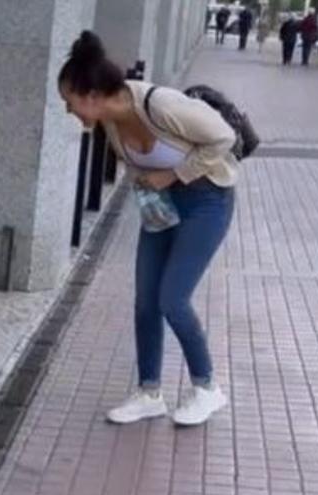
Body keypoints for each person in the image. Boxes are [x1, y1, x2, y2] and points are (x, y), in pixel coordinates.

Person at [57, 31, 237, 426]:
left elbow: (224, 136)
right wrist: (154, 188)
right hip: (163, 207)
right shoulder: (110, 123)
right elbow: (141, 170)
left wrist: (174, 174)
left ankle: (208, 389)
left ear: (91, 94)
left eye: (70, 104)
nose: (71, 113)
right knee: (145, 300)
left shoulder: (161, 104)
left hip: (208, 201)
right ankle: (149, 392)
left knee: (173, 298)